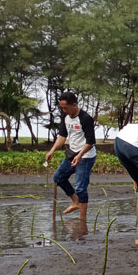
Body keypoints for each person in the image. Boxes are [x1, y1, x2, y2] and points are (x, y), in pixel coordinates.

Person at [45, 91, 97, 222]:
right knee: (58, 178)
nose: (64, 110)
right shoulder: (65, 117)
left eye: (65, 107)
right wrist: (52, 150)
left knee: (80, 187)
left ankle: (82, 220)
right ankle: (76, 202)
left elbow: (90, 142)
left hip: (86, 156)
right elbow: (62, 136)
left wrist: (79, 156)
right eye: (62, 107)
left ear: (74, 104)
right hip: (71, 154)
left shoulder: (85, 118)